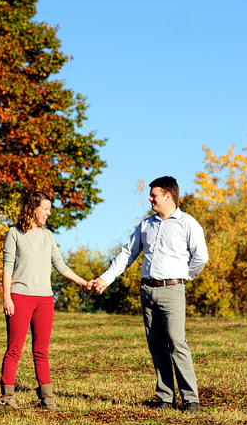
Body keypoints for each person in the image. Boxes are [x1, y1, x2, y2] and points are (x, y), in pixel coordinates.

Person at [89, 176, 208, 412]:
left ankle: (190, 400)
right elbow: (127, 254)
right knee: (155, 344)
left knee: (176, 342)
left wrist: (183, 277)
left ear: (167, 196)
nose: (149, 198)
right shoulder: (146, 225)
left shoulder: (188, 224)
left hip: (172, 290)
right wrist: (106, 278)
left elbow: (201, 257)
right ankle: (165, 398)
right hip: (147, 290)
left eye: (153, 195)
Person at [0, 190, 89, 410]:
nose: (48, 213)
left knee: (42, 351)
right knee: (15, 349)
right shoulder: (14, 233)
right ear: (33, 208)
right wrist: (7, 297)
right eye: (45, 209)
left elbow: (60, 264)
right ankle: (7, 397)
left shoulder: (47, 235)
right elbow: (7, 267)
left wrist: (82, 282)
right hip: (20, 297)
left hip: (45, 299)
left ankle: (48, 400)